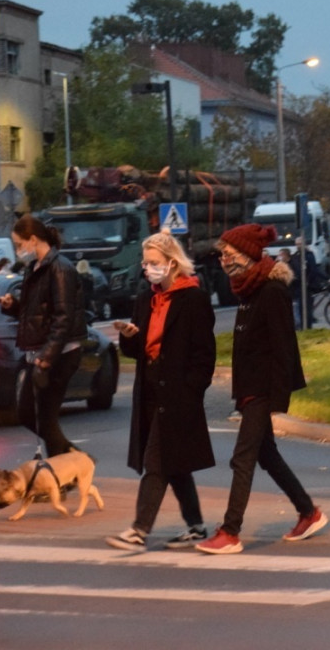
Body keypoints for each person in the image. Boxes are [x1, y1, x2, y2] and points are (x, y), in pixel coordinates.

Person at [197, 224, 328, 554]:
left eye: (229, 254)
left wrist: (278, 398)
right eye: (222, 254)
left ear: (246, 255)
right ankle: (309, 512)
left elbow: (284, 347)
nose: (223, 259)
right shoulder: (247, 288)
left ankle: (230, 531)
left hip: (262, 388)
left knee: (243, 458)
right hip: (249, 387)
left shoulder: (270, 292)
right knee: (266, 455)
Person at [105, 232, 216, 552]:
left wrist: (193, 389)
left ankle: (139, 530)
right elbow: (139, 350)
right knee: (173, 462)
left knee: (156, 461)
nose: (148, 269)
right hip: (150, 390)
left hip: (179, 394)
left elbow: (204, 354)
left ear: (172, 262)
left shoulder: (193, 298)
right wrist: (129, 336)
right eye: (145, 263)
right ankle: (195, 526)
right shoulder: (146, 298)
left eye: (154, 263)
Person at [0, 215, 87, 457]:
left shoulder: (60, 268)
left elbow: (63, 317)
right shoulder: (34, 268)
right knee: (30, 413)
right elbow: (36, 313)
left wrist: (47, 357)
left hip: (60, 353)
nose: (18, 251)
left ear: (33, 240)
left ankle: (65, 470)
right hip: (39, 352)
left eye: (19, 245)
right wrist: (12, 305)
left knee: (44, 416)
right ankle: (75, 463)